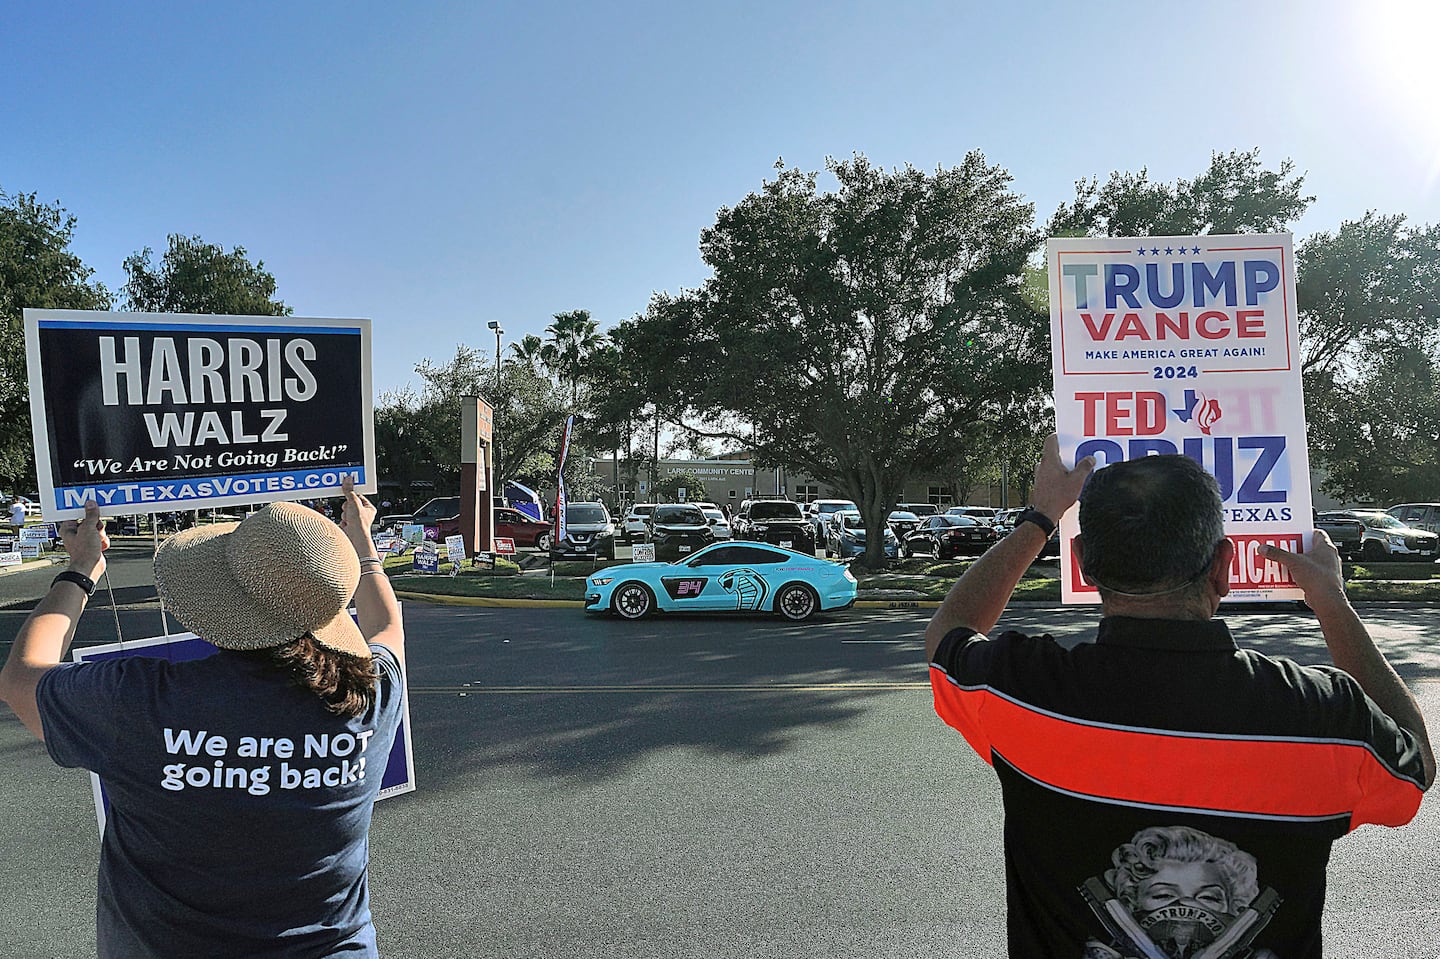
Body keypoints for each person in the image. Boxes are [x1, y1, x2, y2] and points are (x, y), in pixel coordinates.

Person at [924, 436, 1433, 959]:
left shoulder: (1022, 691)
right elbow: (1415, 763)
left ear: (1081, 563)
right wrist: (1332, 600)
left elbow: (948, 632)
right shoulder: (1323, 715)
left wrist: (1041, 517)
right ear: (1222, 568)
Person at [0, 477, 405, 958]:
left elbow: (21, 677)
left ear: (223, 604)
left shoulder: (140, 701)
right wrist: (365, 550)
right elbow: (387, 627)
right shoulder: (370, 693)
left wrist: (81, 569)